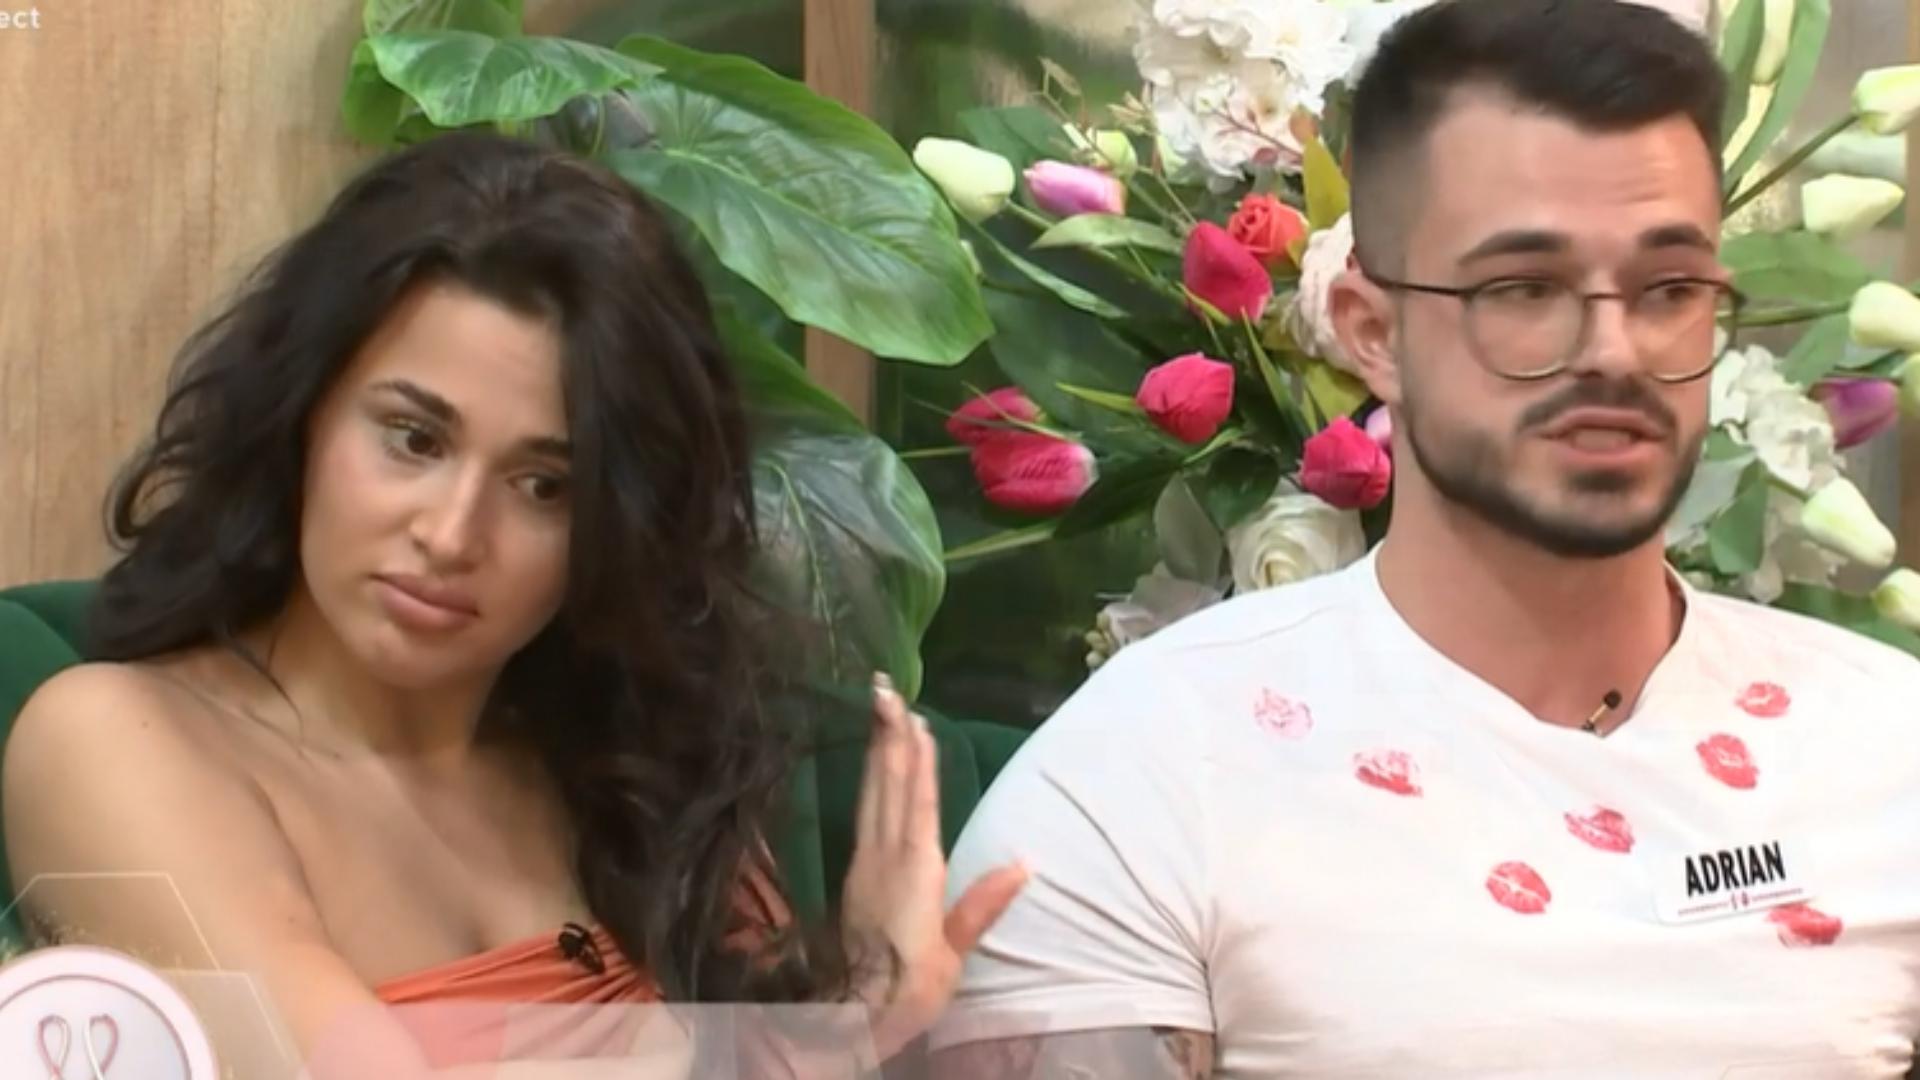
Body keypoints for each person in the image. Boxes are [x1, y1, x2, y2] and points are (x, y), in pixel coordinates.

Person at [930, 2, 1920, 1077]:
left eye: (1669, 288)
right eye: (1525, 288)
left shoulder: (1886, 746)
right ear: (1373, 333)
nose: (1614, 350)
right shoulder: (1145, 773)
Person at [2, 131, 1025, 1077]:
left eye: (545, 486)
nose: (452, 536)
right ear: (302, 412)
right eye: (413, 439)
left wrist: (856, 1011)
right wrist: (832, 1040)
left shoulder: (630, 764)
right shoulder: (115, 741)